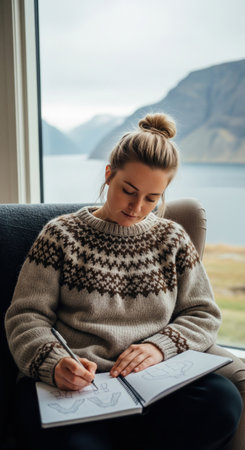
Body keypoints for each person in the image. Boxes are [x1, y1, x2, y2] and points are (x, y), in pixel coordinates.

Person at [4, 113, 243, 450]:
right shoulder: (60, 236)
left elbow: (203, 315)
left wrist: (159, 347)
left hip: (153, 387)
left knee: (222, 402)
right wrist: (55, 363)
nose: (136, 208)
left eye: (151, 198)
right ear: (108, 175)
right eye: (128, 191)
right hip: (74, 388)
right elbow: (25, 316)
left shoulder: (172, 239)